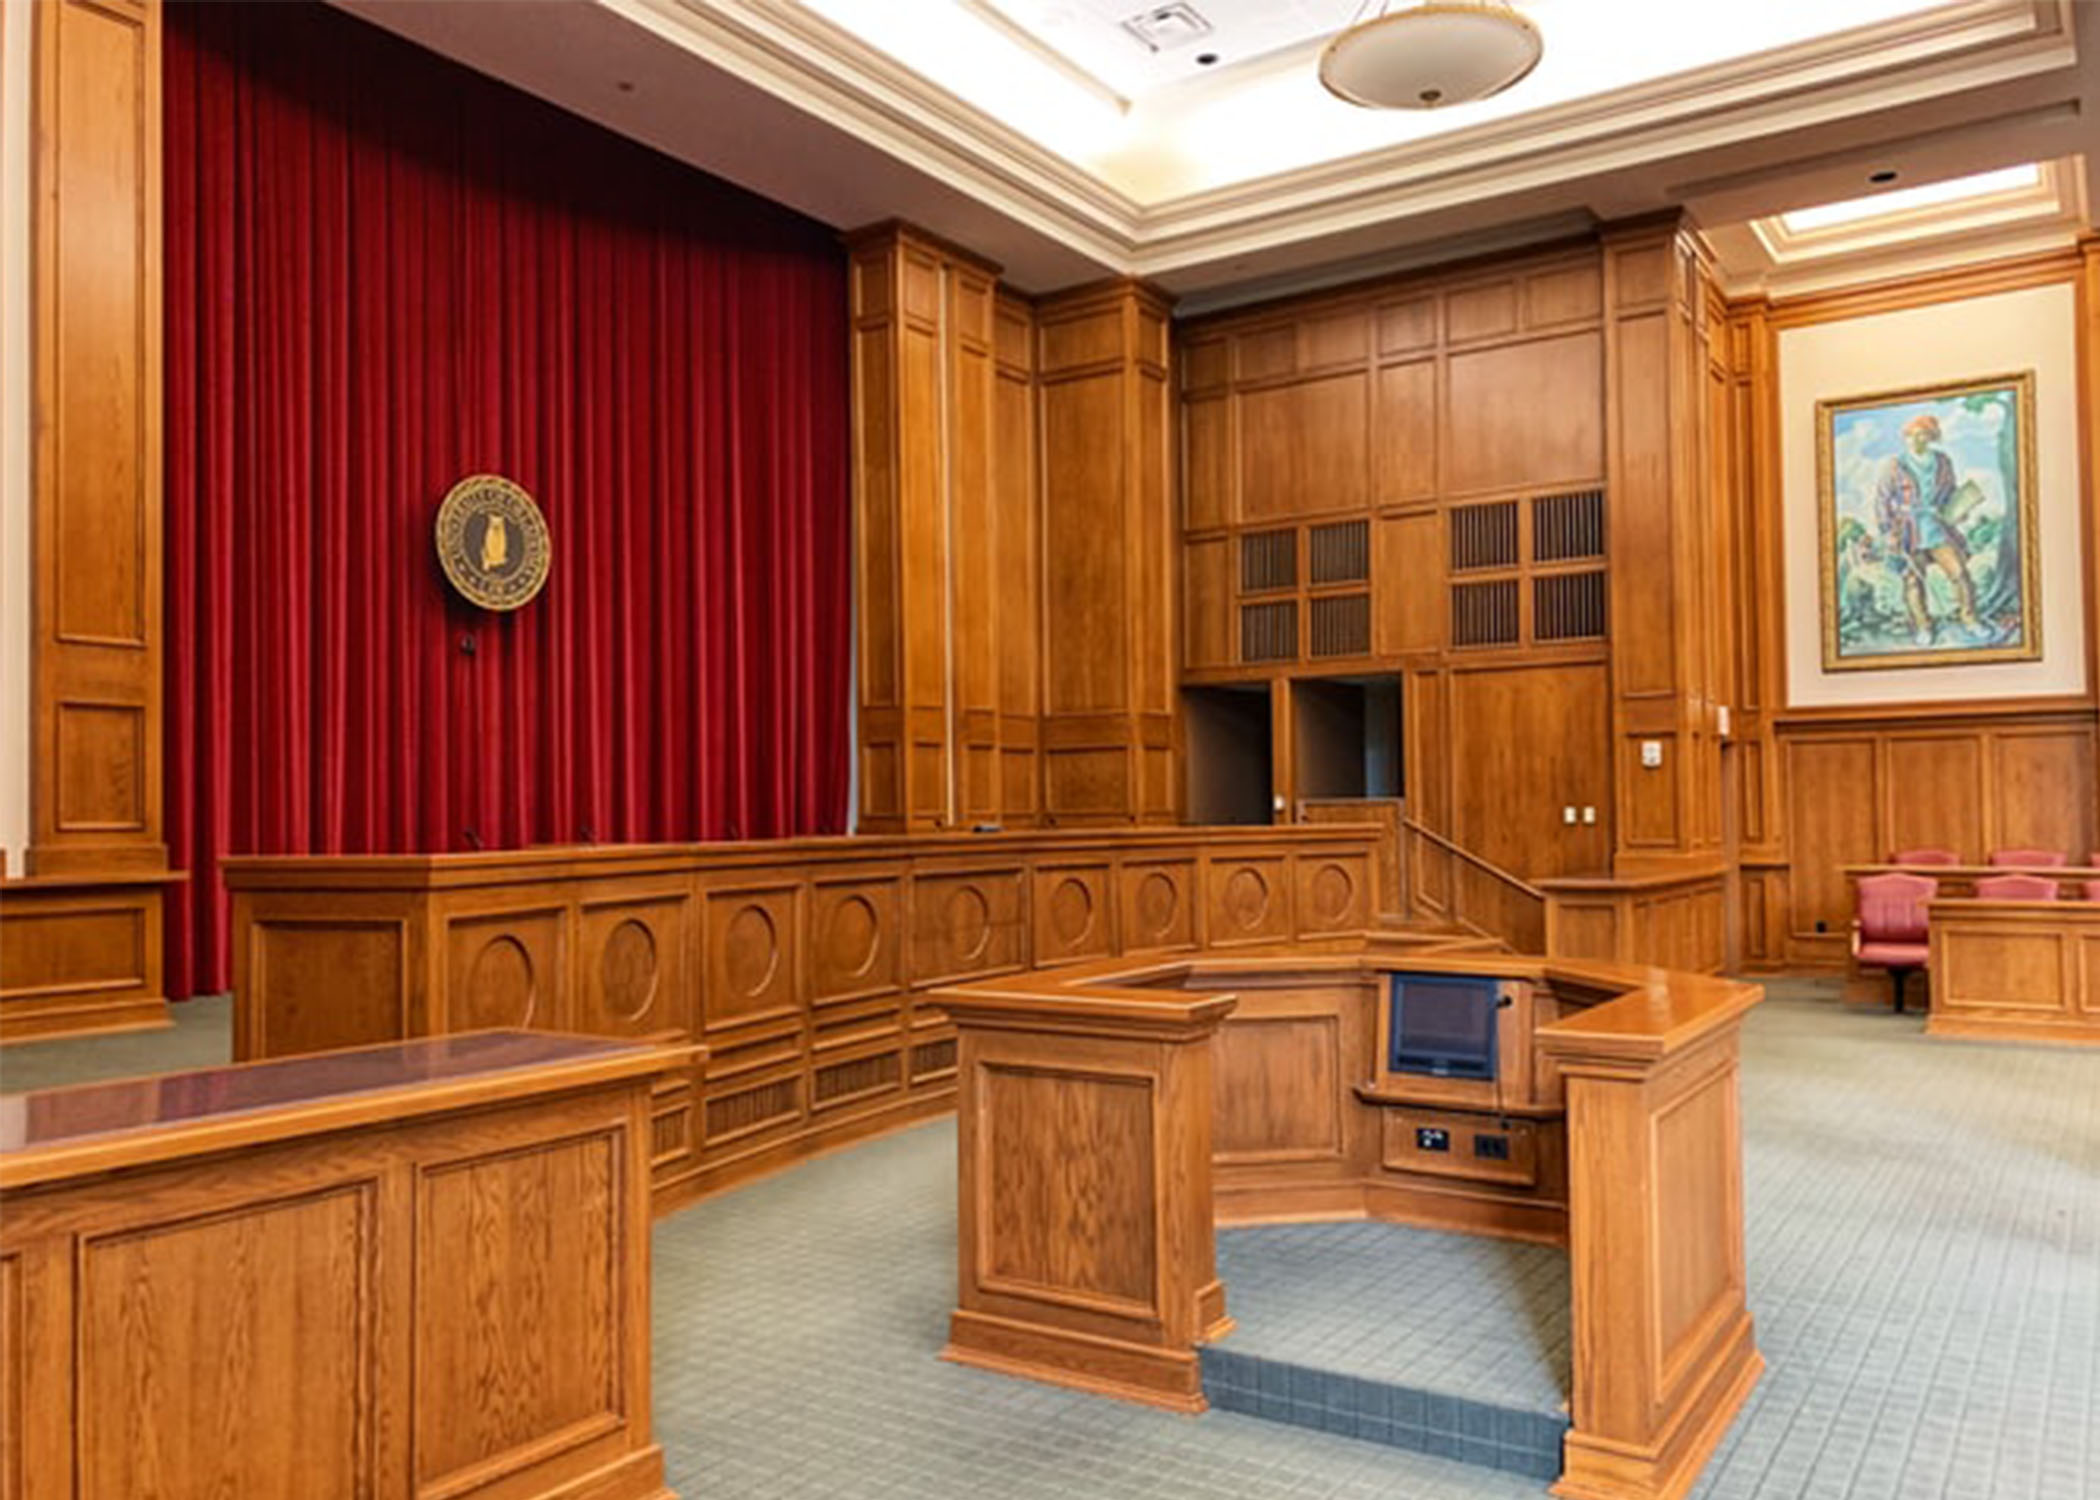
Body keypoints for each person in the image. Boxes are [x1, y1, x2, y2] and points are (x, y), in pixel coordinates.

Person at [1873, 412, 1980, 646]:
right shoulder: (1894, 465)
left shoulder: (1942, 462)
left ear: (1931, 437)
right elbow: (1881, 501)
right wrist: (1888, 531)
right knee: (1913, 580)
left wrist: (1959, 508)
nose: (1914, 440)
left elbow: (1950, 491)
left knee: (1959, 573)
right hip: (1908, 531)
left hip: (1936, 527)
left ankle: (1970, 620)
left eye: (1921, 435)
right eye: (1910, 435)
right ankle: (1923, 627)